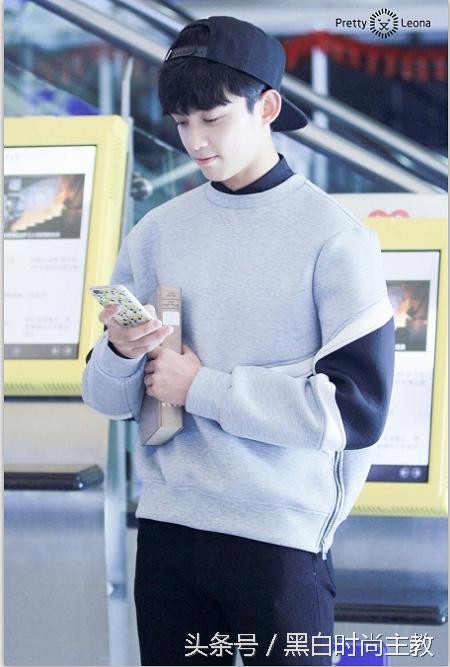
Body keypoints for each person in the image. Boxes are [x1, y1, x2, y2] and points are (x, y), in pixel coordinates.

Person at [82, 15, 395, 666]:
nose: (195, 141)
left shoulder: (336, 239)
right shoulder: (156, 231)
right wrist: (121, 352)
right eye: (181, 122)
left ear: (268, 107)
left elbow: (354, 412)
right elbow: (106, 399)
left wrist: (201, 387)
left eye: (213, 118)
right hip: (168, 533)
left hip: (278, 542)